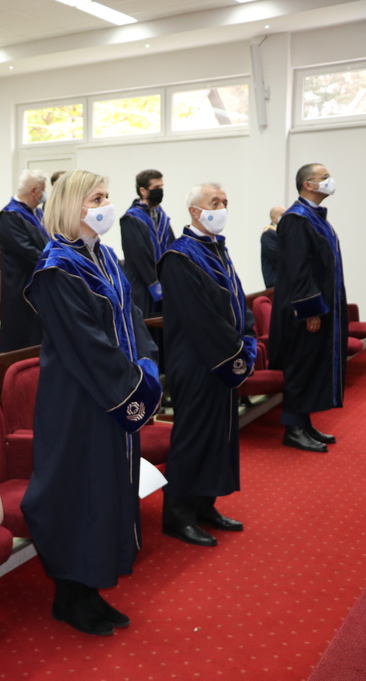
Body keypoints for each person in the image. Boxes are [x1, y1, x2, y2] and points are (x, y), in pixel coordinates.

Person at [22, 169, 161, 637]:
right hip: (78, 399)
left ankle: (92, 586)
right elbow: (86, 344)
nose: (106, 205)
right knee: (78, 490)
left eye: (106, 196)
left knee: (106, 489)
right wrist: (133, 386)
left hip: (112, 392)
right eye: (97, 198)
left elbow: (132, 316)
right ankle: (70, 594)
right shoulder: (57, 268)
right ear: (72, 205)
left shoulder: (103, 256)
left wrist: (147, 364)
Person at [157, 183, 256, 547]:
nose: (222, 208)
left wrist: (248, 338)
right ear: (195, 211)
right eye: (215, 202)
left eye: (225, 202)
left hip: (222, 357)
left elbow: (237, 301)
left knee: (218, 436)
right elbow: (201, 320)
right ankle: (178, 515)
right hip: (197, 362)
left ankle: (204, 505)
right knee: (194, 437)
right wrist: (236, 354)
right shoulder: (179, 257)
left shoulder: (216, 249)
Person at [270, 163, 347, 453]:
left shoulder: (314, 217)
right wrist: (310, 309)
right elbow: (297, 268)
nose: (329, 181)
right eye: (323, 177)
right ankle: (293, 428)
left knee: (312, 364)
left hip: (320, 308)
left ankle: (304, 422)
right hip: (303, 312)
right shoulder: (295, 219)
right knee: (301, 366)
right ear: (308, 185)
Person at [0, 169, 48, 352]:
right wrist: (54, 262)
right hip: (21, 286)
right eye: (43, 189)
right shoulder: (9, 216)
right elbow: (26, 251)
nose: (45, 194)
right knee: (23, 339)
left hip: (40, 283)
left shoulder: (38, 213)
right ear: (34, 190)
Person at [121, 170, 173, 322]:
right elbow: (140, 257)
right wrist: (154, 284)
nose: (160, 191)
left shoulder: (161, 216)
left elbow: (172, 245)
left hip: (163, 283)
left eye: (161, 187)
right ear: (143, 191)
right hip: (142, 285)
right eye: (156, 188)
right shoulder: (131, 218)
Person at [261, 205, 285, 288]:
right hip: (276, 282)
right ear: (273, 217)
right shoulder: (268, 233)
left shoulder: (285, 232)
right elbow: (276, 256)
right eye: (282, 215)